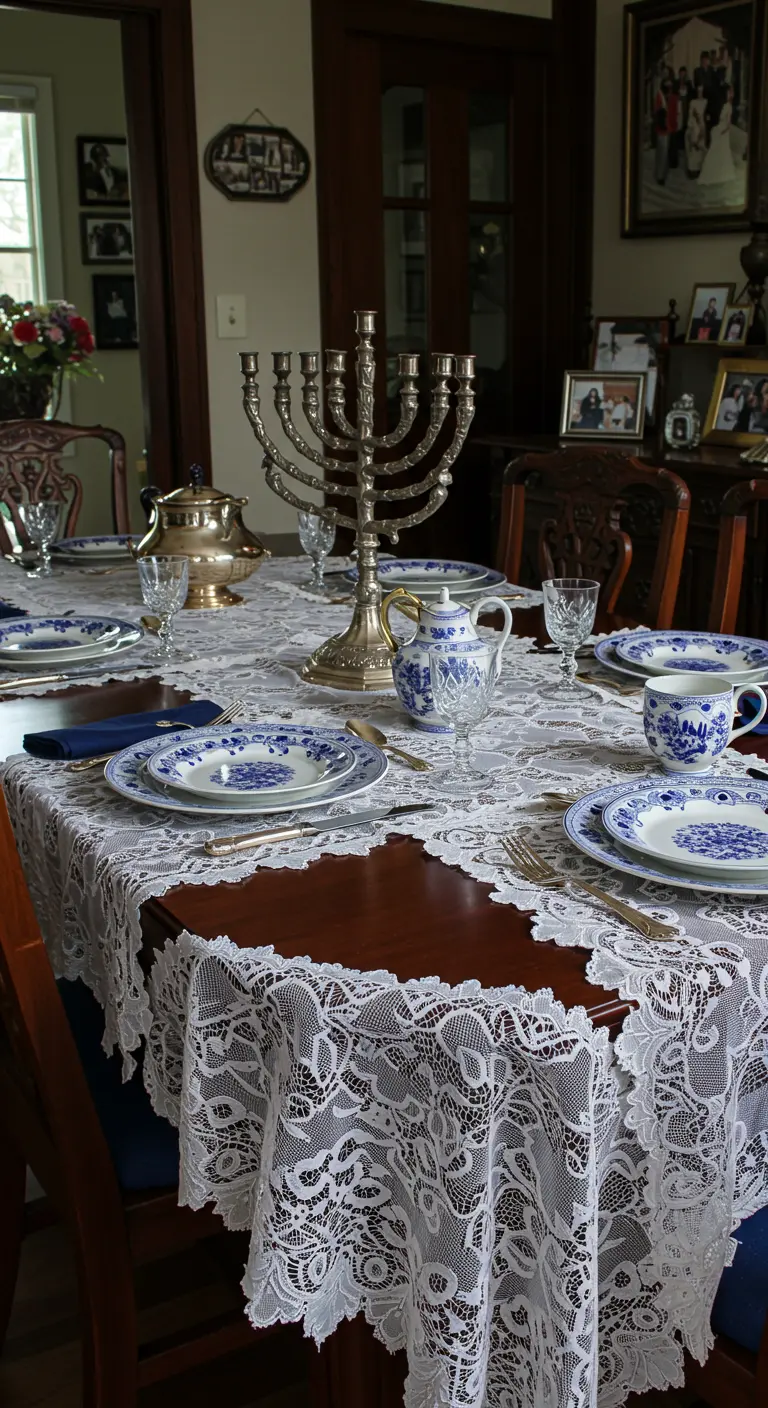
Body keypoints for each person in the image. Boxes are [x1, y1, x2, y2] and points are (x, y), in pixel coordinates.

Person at [700, 85, 736, 186]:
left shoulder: (729, 106)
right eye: (729, 93)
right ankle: (712, 172)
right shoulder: (725, 105)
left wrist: (722, 131)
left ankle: (720, 173)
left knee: (721, 151)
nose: (730, 94)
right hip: (719, 128)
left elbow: (728, 124)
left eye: (731, 93)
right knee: (715, 150)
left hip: (723, 131)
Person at [685, 84, 708, 178]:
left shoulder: (706, 102)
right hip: (694, 126)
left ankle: (699, 169)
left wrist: (703, 125)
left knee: (700, 149)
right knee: (693, 149)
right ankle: (692, 170)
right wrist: (691, 125)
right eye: (698, 91)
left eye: (701, 91)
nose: (700, 93)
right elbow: (690, 115)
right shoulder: (693, 102)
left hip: (702, 126)